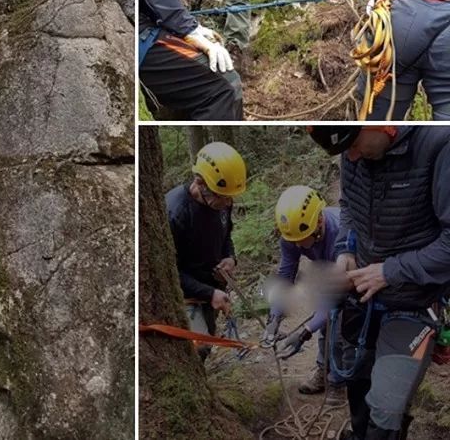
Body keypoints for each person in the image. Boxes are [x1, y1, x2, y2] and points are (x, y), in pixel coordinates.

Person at [308, 124, 450, 440]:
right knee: (358, 384)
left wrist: (389, 271)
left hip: (414, 302)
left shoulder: (438, 145)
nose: (352, 157)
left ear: (382, 125)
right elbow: (349, 210)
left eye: (355, 144)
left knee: (386, 407)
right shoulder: (350, 148)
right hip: (364, 296)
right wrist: (345, 249)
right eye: (345, 151)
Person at [263, 186, 346, 401]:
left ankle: (338, 380)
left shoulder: (341, 232)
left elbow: (335, 297)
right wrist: (274, 316)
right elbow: (285, 275)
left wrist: (304, 332)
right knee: (326, 324)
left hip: (354, 270)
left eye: (304, 237)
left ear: (319, 221)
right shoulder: (292, 235)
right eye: (294, 240)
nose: (298, 244)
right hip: (327, 269)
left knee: (339, 325)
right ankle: (323, 369)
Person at [166, 141, 247, 356]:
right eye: (222, 197)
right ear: (200, 183)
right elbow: (169, 271)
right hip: (186, 294)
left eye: (230, 197)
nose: (227, 203)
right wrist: (209, 293)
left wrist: (230, 257)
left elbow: (225, 236)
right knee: (197, 349)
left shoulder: (222, 201)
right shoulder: (176, 213)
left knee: (207, 344)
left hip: (210, 289)